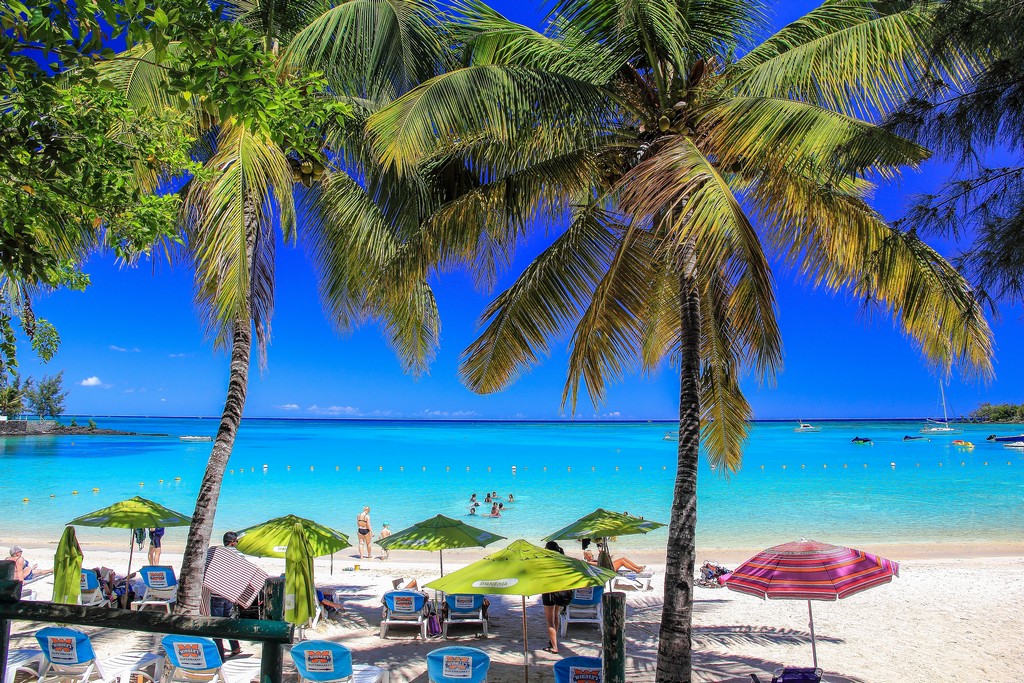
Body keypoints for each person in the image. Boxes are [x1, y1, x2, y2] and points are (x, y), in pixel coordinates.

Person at [210, 531, 243, 660]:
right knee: (228, 621)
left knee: (216, 624)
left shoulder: (215, 553)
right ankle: (234, 647)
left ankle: (220, 653)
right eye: (236, 542)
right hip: (229, 594)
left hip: (216, 593)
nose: (237, 544)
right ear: (232, 542)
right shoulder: (239, 555)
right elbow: (242, 573)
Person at [541, 541, 565, 653]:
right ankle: (553, 642)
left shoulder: (547, 561)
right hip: (560, 591)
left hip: (549, 591)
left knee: (550, 620)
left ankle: (554, 647)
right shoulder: (562, 560)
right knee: (556, 616)